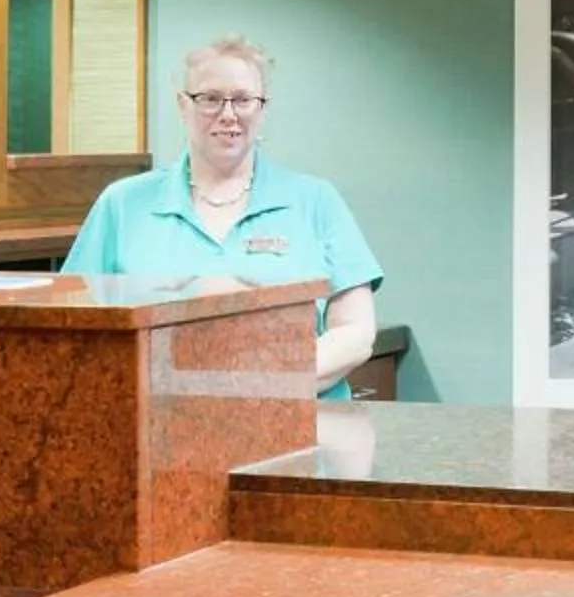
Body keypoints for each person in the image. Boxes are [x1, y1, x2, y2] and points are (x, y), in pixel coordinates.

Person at [62, 35, 383, 395]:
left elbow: (355, 334)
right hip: (159, 426)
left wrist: (262, 385)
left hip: (302, 425)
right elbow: (73, 322)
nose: (228, 114)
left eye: (243, 100)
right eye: (211, 99)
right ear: (183, 105)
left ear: (262, 108)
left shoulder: (316, 200)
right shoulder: (123, 204)